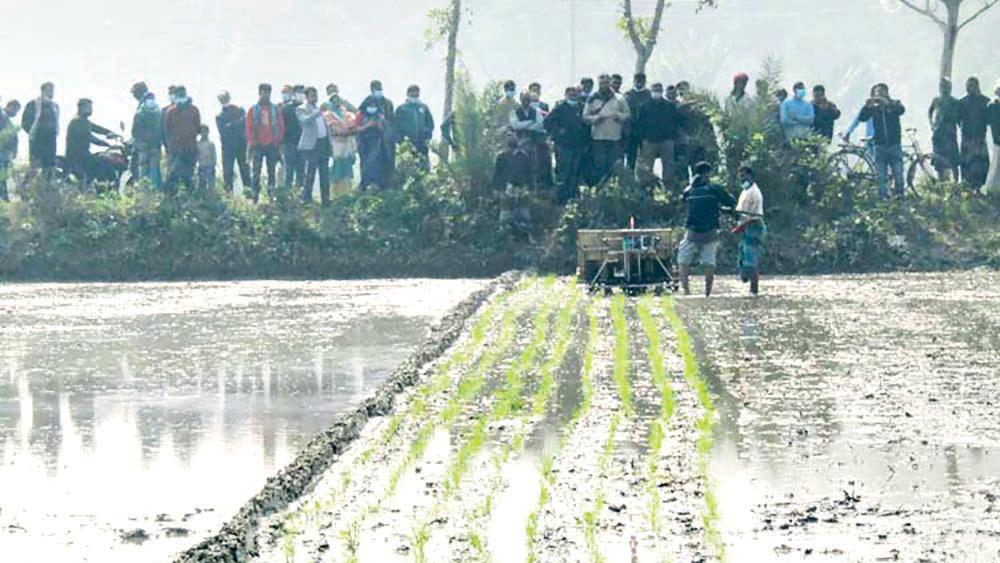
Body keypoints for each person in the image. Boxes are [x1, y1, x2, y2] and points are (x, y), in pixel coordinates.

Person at [678, 161, 735, 297]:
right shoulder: (715, 189)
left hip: (692, 233)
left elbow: (683, 200)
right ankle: (707, 293)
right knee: (709, 262)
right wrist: (721, 207)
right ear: (707, 173)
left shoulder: (689, 189)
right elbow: (731, 201)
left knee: (683, 260)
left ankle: (686, 291)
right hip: (710, 233)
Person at [857, 83, 906, 198]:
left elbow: (901, 110)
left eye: (881, 92)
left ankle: (899, 195)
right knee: (880, 175)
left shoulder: (895, 103)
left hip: (894, 144)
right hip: (879, 145)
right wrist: (867, 106)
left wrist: (887, 104)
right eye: (876, 93)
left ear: (887, 93)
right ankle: (883, 197)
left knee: (898, 172)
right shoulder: (873, 108)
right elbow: (862, 118)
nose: (879, 95)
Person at [544, 86, 590, 203]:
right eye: (570, 93)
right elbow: (547, 122)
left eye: (575, 93)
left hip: (578, 145)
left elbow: (587, 125)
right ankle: (560, 197)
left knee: (575, 171)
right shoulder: (560, 108)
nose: (573, 95)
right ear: (566, 94)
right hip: (564, 146)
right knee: (563, 171)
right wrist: (558, 131)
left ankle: (572, 196)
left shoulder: (582, 107)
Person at [583, 74, 630, 186]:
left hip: (615, 138)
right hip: (598, 138)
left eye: (606, 83)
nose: (604, 85)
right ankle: (599, 188)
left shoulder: (619, 98)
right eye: (602, 83)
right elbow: (585, 117)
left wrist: (619, 116)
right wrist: (596, 119)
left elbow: (627, 114)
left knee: (614, 165)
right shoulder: (592, 99)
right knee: (599, 165)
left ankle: (613, 188)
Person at [636, 83, 682, 189]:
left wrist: (672, 137)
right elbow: (640, 124)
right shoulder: (644, 106)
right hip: (649, 141)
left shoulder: (669, 106)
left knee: (669, 167)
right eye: (655, 90)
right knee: (647, 168)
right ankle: (647, 190)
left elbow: (675, 123)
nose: (657, 92)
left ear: (662, 91)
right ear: (651, 91)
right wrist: (643, 138)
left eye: (659, 90)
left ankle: (669, 190)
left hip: (666, 141)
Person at [65, 98, 117, 188]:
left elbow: (97, 128)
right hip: (77, 156)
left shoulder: (84, 121)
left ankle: (99, 185)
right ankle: (102, 187)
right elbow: (89, 137)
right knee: (103, 164)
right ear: (81, 108)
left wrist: (111, 133)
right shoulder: (77, 121)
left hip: (83, 154)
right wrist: (106, 144)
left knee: (102, 160)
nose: (90, 110)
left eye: (91, 107)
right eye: (88, 107)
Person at [246, 83, 285, 202]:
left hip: (271, 145)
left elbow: (281, 126)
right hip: (257, 145)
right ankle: (254, 196)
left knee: (271, 171)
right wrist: (253, 141)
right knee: (256, 171)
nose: (266, 95)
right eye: (264, 92)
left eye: (268, 92)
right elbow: (249, 128)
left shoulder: (275, 109)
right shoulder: (253, 110)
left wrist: (277, 140)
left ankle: (271, 195)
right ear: (259, 93)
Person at [162, 86, 201, 194]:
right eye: (179, 95)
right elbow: (167, 131)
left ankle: (191, 199)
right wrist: (171, 147)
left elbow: (198, 128)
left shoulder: (194, 110)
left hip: (190, 149)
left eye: (182, 94)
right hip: (176, 150)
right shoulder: (171, 112)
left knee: (188, 176)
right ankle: (171, 199)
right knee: (172, 176)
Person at [322, 84, 359, 197]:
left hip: (347, 144)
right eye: (333, 99)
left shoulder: (345, 111)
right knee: (335, 168)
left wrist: (349, 131)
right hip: (335, 144)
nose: (336, 101)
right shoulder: (326, 111)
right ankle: (335, 194)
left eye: (337, 98)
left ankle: (346, 193)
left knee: (346, 168)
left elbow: (356, 115)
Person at [297, 87, 331, 205]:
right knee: (310, 172)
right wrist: (318, 112)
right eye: (312, 95)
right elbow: (305, 121)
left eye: (315, 95)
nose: (314, 98)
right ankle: (306, 199)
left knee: (325, 173)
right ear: (306, 97)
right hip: (312, 145)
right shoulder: (301, 108)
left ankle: (326, 199)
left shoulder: (319, 109)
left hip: (323, 143)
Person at [734, 165, 765, 296]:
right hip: (746, 226)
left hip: (754, 226)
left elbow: (754, 215)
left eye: (744, 175)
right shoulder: (745, 191)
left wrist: (741, 226)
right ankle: (747, 279)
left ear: (750, 176)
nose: (742, 178)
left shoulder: (754, 192)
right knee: (742, 257)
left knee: (751, 260)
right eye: (740, 176)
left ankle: (754, 290)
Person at [356, 83, 394, 190]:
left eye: (374, 105)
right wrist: (368, 125)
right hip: (364, 143)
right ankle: (364, 184)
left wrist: (380, 124)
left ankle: (379, 184)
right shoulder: (361, 114)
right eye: (370, 105)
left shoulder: (383, 109)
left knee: (379, 163)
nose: (372, 107)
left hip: (378, 142)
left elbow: (387, 125)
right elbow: (357, 128)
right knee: (365, 163)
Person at [21, 82, 60, 181]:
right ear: (42, 91)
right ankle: (25, 189)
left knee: (49, 168)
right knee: (34, 167)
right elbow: (25, 122)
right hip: (37, 140)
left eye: (52, 90)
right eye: (49, 90)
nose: (51, 93)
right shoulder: (33, 104)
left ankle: (46, 192)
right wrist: (34, 134)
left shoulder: (55, 106)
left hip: (51, 141)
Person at [511, 91, 551, 187]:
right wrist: (530, 122)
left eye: (528, 99)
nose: (526, 101)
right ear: (520, 100)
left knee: (540, 161)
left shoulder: (536, 111)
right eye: (524, 99)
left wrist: (524, 125)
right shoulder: (515, 111)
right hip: (519, 141)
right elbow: (515, 125)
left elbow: (540, 125)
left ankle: (540, 184)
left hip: (535, 141)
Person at [216, 90, 251, 194]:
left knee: (245, 170)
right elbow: (224, 131)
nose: (223, 99)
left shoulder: (239, 110)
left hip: (241, 145)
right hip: (227, 148)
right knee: (227, 173)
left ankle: (249, 194)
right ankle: (228, 195)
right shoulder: (219, 116)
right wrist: (236, 124)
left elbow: (245, 122)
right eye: (221, 98)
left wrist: (232, 125)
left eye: (224, 97)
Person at [959, 76, 991, 190]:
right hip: (967, 138)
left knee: (981, 165)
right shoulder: (962, 103)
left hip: (980, 138)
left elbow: (990, 120)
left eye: (972, 85)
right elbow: (958, 119)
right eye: (969, 86)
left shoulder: (985, 102)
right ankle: (968, 187)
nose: (970, 88)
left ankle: (980, 188)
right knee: (967, 164)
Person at [927, 78, 962, 182]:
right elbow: (930, 111)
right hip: (938, 133)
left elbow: (959, 117)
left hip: (950, 133)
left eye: (947, 86)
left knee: (953, 160)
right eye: (942, 86)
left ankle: (956, 183)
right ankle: (941, 183)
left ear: (950, 87)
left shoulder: (954, 101)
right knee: (938, 160)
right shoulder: (936, 100)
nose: (945, 88)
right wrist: (931, 124)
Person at [394, 84, 435, 165]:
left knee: (423, 165)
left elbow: (430, 124)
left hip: (422, 143)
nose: (415, 95)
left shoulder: (424, 108)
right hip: (407, 144)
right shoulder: (402, 109)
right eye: (412, 93)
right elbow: (395, 126)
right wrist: (400, 141)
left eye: (416, 93)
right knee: (408, 165)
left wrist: (427, 137)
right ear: (408, 94)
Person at [131, 92, 163, 189]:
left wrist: (158, 144)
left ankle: (154, 191)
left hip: (155, 147)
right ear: (144, 101)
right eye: (149, 98)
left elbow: (161, 131)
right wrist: (140, 144)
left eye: (152, 98)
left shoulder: (158, 114)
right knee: (144, 170)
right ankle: (144, 192)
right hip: (144, 148)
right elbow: (135, 132)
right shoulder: (140, 114)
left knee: (154, 170)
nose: (151, 100)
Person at [624, 72, 651, 171]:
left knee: (646, 159)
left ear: (645, 82)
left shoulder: (649, 95)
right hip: (631, 131)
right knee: (630, 157)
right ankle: (629, 179)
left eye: (641, 81)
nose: (639, 83)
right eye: (637, 81)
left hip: (645, 132)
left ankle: (645, 180)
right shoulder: (628, 95)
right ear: (634, 81)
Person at [280, 85, 305, 192]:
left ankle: (299, 194)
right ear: (293, 94)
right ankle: (287, 195)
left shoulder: (306, 108)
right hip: (289, 144)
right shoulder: (286, 109)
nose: (301, 95)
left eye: (303, 93)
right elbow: (280, 126)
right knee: (289, 171)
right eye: (299, 92)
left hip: (304, 144)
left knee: (301, 171)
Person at [0, 100, 21, 200]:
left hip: (5, 154)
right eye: (14, 110)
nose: (15, 113)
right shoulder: (2, 117)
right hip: (2, 152)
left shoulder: (8, 121)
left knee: (3, 177)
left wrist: (14, 151)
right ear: (9, 106)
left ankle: (4, 198)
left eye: (17, 111)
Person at [985, 80, 1000, 193]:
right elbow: (992, 124)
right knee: (996, 164)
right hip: (998, 139)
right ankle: (992, 189)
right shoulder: (993, 106)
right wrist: (996, 137)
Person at [195, 125, 216, 191]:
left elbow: (214, 156)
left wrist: (213, 165)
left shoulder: (211, 144)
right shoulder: (198, 144)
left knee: (211, 187)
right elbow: (196, 156)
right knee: (201, 186)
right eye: (202, 131)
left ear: (208, 132)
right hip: (201, 167)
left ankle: (210, 198)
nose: (204, 133)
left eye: (205, 131)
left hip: (210, 167)